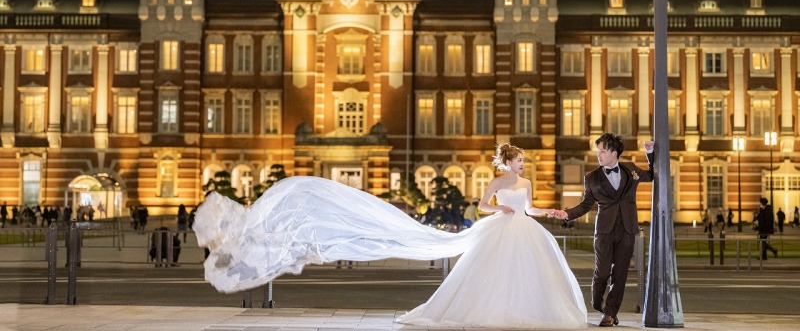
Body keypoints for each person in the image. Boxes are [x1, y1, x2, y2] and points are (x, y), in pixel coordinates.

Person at [194, 142, 587, 329]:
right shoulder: (499, 180)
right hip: (502, 228)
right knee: (490, 274)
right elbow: (484, 205)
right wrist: (501, 207)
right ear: (509, 161)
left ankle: (526, 311)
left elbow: (530, 207)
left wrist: (548, 210)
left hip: (524, 230)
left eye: (522, 161)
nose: (522, 164)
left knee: (527, 274)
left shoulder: (528, 181)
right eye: (519, 159)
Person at [552, 133, 654, 328]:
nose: (599, 155)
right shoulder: (591, 177)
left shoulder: (631, 169)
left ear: (614, 153)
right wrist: (566, 214)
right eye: (598, 151)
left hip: (627, 228)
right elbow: (585, 205)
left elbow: (652, 174)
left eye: (603, 151)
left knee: (620, 274)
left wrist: (650, 151)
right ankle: (598, 303)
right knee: (602, 272)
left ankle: (609, 313)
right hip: (604, 231)